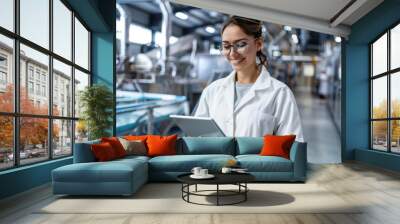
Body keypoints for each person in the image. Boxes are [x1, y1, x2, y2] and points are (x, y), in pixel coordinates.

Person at [194, 16, 304, 142]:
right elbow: (198, 139)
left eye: (241, 44)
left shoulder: (280, 93)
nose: (232, 53)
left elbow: (292, 147)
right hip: (218, 162)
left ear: (258, 44)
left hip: (260, 163)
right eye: (226, 46)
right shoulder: (211, 91)